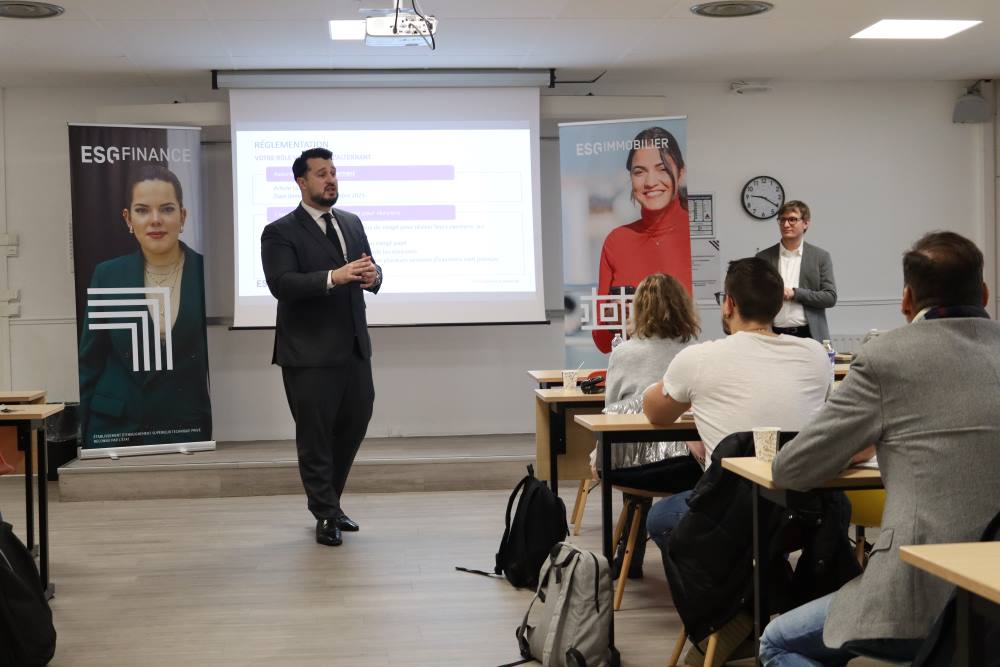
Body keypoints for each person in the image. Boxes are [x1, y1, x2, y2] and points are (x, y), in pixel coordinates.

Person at [760, 231, 1000, 666]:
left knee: (776, 641)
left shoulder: (886, 356)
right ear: (983, 292)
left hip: (917, 593)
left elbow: (792, 469)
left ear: (906, 299)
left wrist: (854, 445)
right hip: (995, 597)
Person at [642, 257, 830, 549]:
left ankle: (735, 588)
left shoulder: (699, 359)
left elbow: (656, 414)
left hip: (729, 514)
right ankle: (762, 578)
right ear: (778, 306)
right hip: (803, 513)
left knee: (661, 517)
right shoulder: (817, 355)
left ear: (729, 303)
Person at [260, 147, 382, 548]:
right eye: (321, 174)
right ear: (301, 182)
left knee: (353, 425)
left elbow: (370, 268)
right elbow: (283, 284)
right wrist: (335, 276)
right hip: (308, 352)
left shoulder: (351, 221)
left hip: (353, 348)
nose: (330, 180)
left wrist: (373, 275)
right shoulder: (280, 231)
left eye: (333, 173)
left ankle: (331, 500)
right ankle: (325, 514)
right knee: (315, 436)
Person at [78, 164, 211, 449]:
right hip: (113, 425)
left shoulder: (206, 272)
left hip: (185, 425)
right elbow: (90, 361)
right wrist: (81, 430)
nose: (155, 220)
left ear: (183, 216)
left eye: (166, 209)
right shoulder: (107, 275)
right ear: (128, 219)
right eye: (142, 210)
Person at [593, 127, 693, 353]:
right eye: (639, 172)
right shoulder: (616, 242)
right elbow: (601, 341)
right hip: (637, 375)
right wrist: (614, 318)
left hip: (692, 376)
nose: (650, 181)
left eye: (662, 169)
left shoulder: (698, 236)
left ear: (680, 172)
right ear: (630, 178)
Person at [755, 200, 836, 341]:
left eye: (792, 219)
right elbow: (755, 296)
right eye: (782, 220)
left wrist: (795, 293)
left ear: (805, 223)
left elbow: (830, 297)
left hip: (809, 335)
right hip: (772, 335)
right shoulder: (763, 257)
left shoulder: (820, 257)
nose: (786, 225)